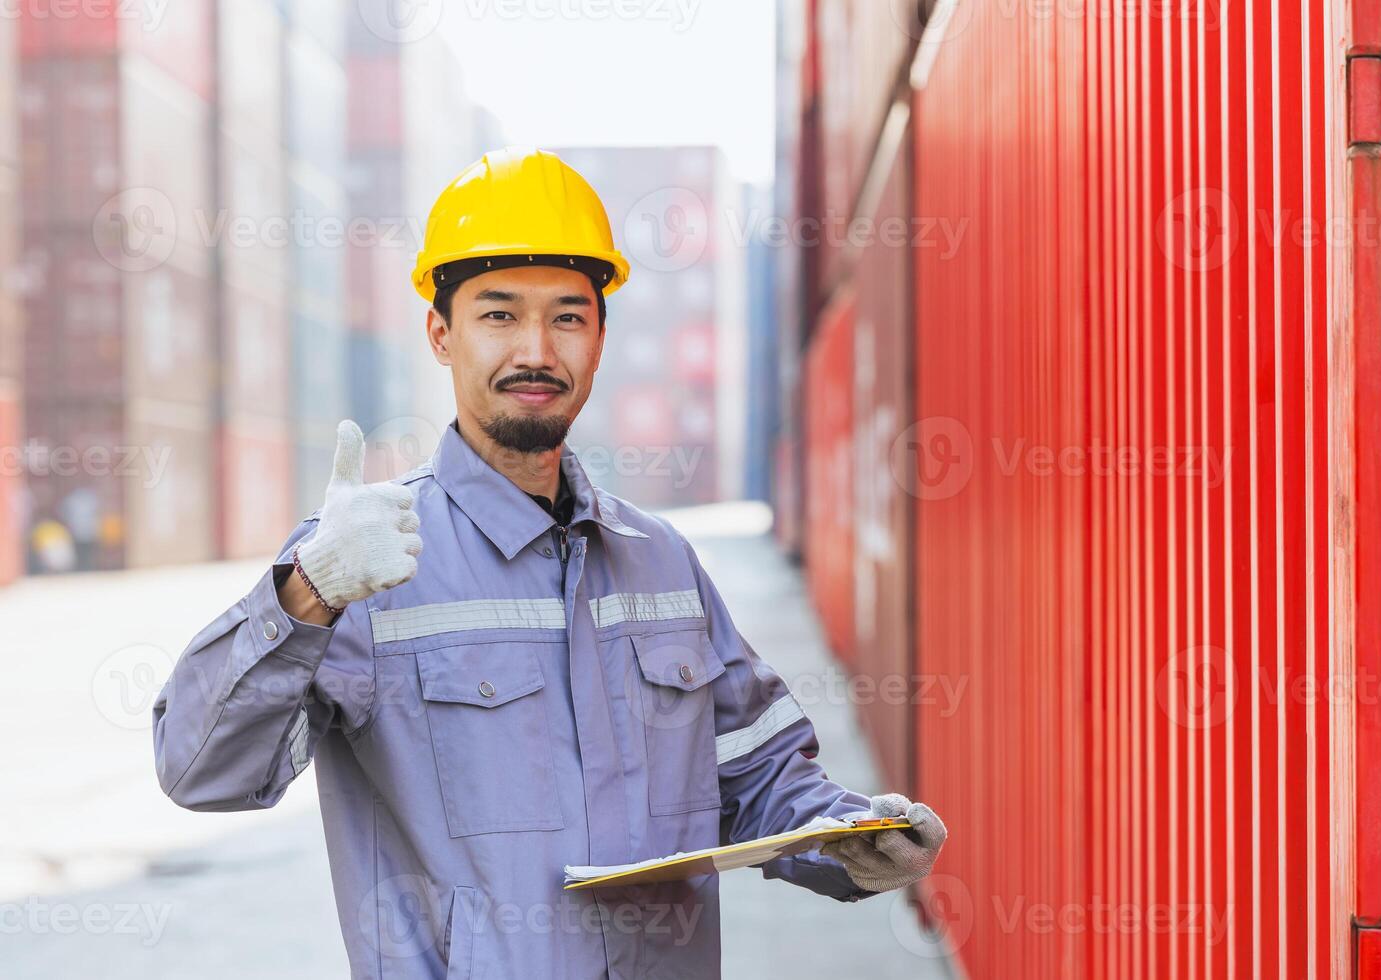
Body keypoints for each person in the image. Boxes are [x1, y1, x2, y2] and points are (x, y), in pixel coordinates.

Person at [151, 146, 947, 978]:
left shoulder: (663, 565)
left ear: (600, 338)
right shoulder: (362, 567)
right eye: (499, 314)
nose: (536, 349)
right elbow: (200, 770)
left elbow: (760, 775)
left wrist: (851, 841)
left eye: (567, 316)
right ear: (440, 334)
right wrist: (308, 590)